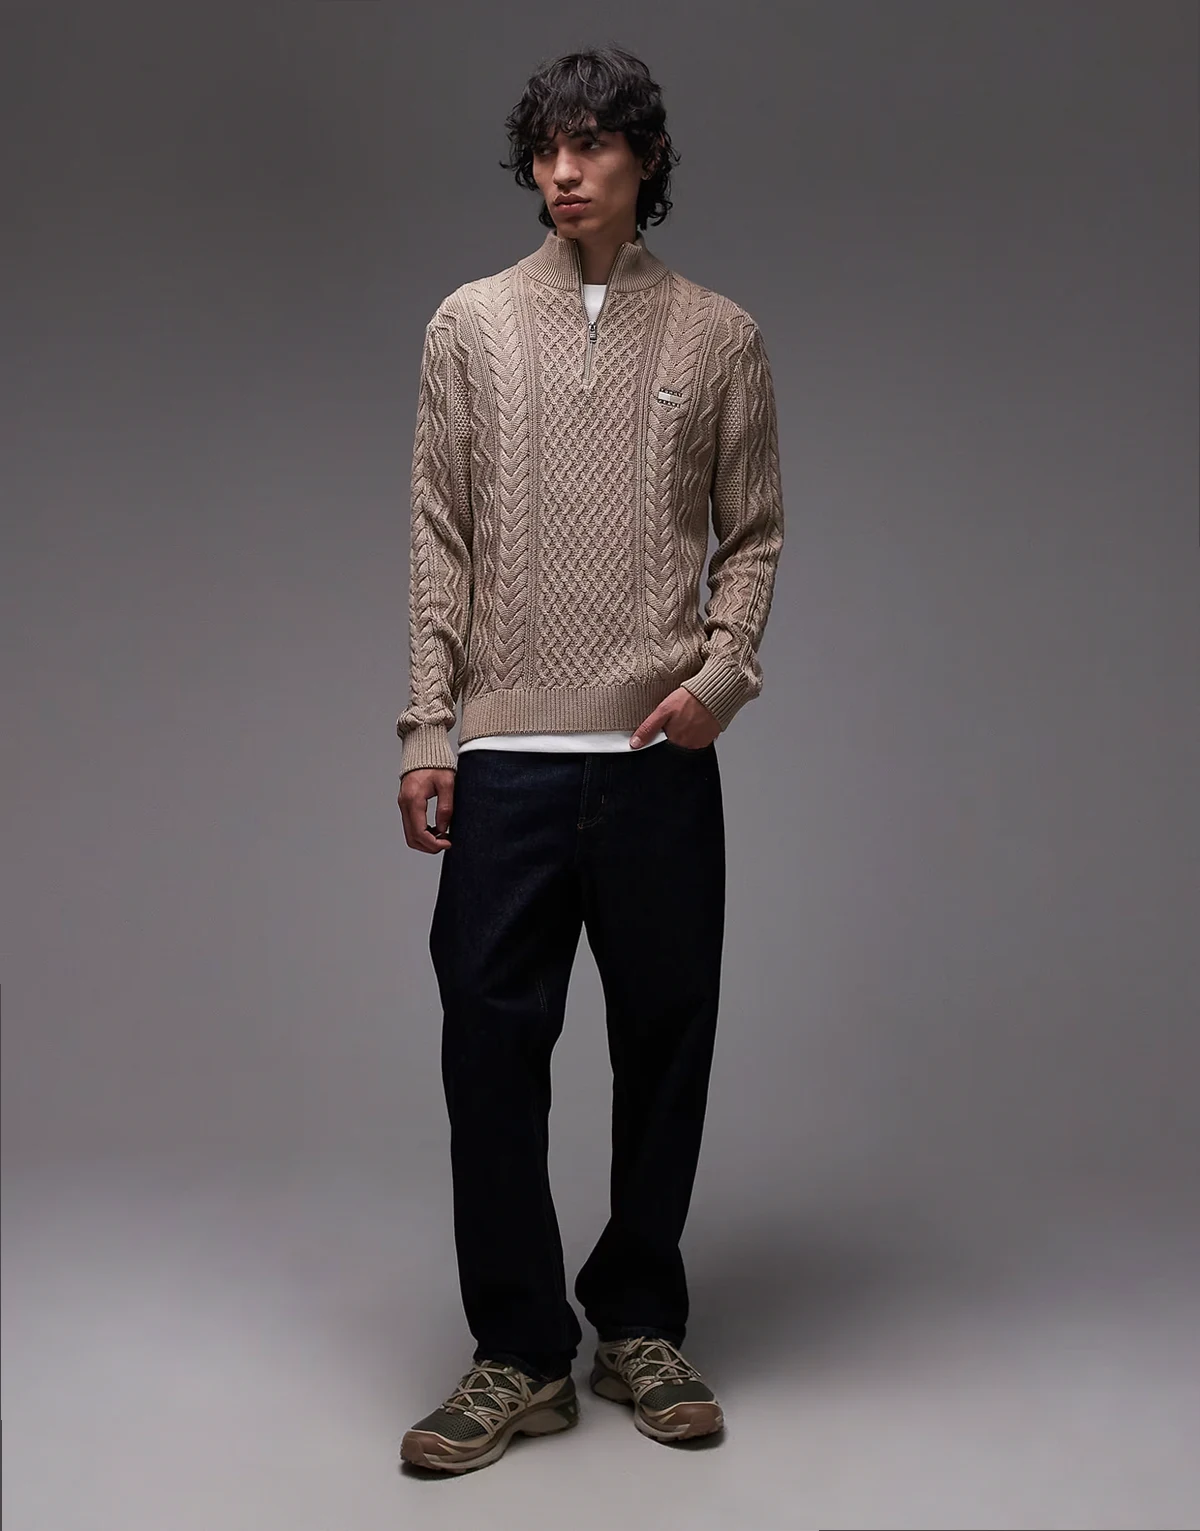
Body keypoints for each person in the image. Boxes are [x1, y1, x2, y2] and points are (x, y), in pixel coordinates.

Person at [395, 45, 784, 1474]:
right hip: (506, 758)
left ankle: (639, 1321)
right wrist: (428, 726)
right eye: (546, 149)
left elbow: (753, 533)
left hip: (655, 757)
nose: (564, 172)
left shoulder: (720, 336)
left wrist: (721, 680)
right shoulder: (470, 325)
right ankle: (517, 1351)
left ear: (644, 158)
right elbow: (437, 535)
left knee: (665, 1042)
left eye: (593, 145)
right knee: (488, 1052)